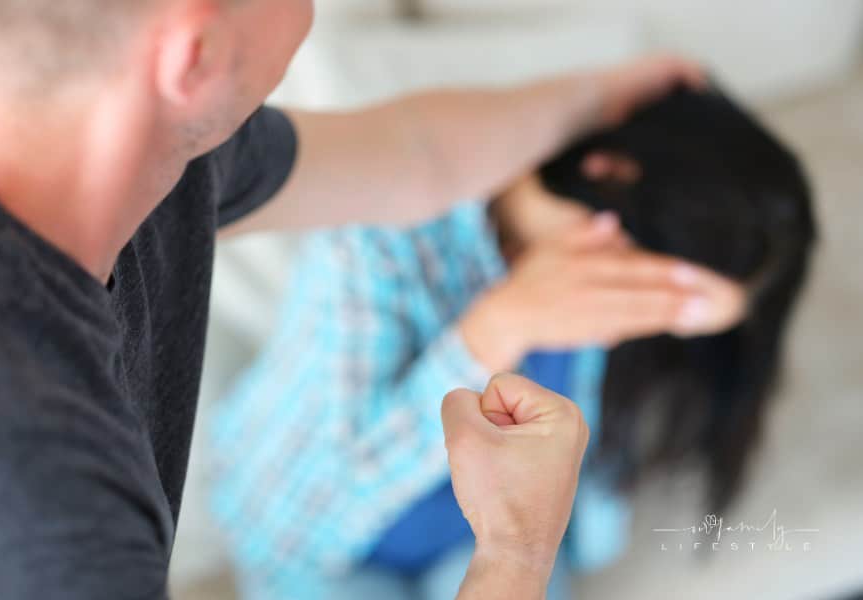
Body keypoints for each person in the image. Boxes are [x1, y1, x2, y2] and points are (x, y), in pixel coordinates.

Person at [0, 0, 714, 597]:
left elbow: (415, 152)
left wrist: (602, 96)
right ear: (195, 54)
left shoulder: (133, 136)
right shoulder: (37, 508)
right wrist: (517, 552)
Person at [211, 87, 815, 599]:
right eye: (664, 295)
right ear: (609, 175)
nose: (655, 319)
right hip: (333, 558)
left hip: (489, 543)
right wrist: (496, 328)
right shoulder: (377, 245)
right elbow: (306, 514)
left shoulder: (613, 278)